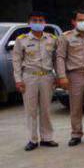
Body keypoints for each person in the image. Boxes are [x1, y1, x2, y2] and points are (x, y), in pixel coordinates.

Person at [12, 11, 59, 151]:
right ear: (29, 23)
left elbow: (56, 60)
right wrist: (18, 80)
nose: (38, 23)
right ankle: (32, 140)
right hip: (29, 77)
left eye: (40, 20)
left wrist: (58, 76)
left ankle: (47, 138)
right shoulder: (21, 40)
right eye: (34, 20)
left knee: (46, 109)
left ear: (44, 22)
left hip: (47, 77)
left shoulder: (52, 39)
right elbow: (16, 61)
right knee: (31, 110)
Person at [57, 10, 84, 146]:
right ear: (73, 22)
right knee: (75, 106)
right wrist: (62, 76)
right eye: (80, 20)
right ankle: (76, 134)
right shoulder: (66, 37)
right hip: (75, 75)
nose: (83, 22)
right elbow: (60, 57)